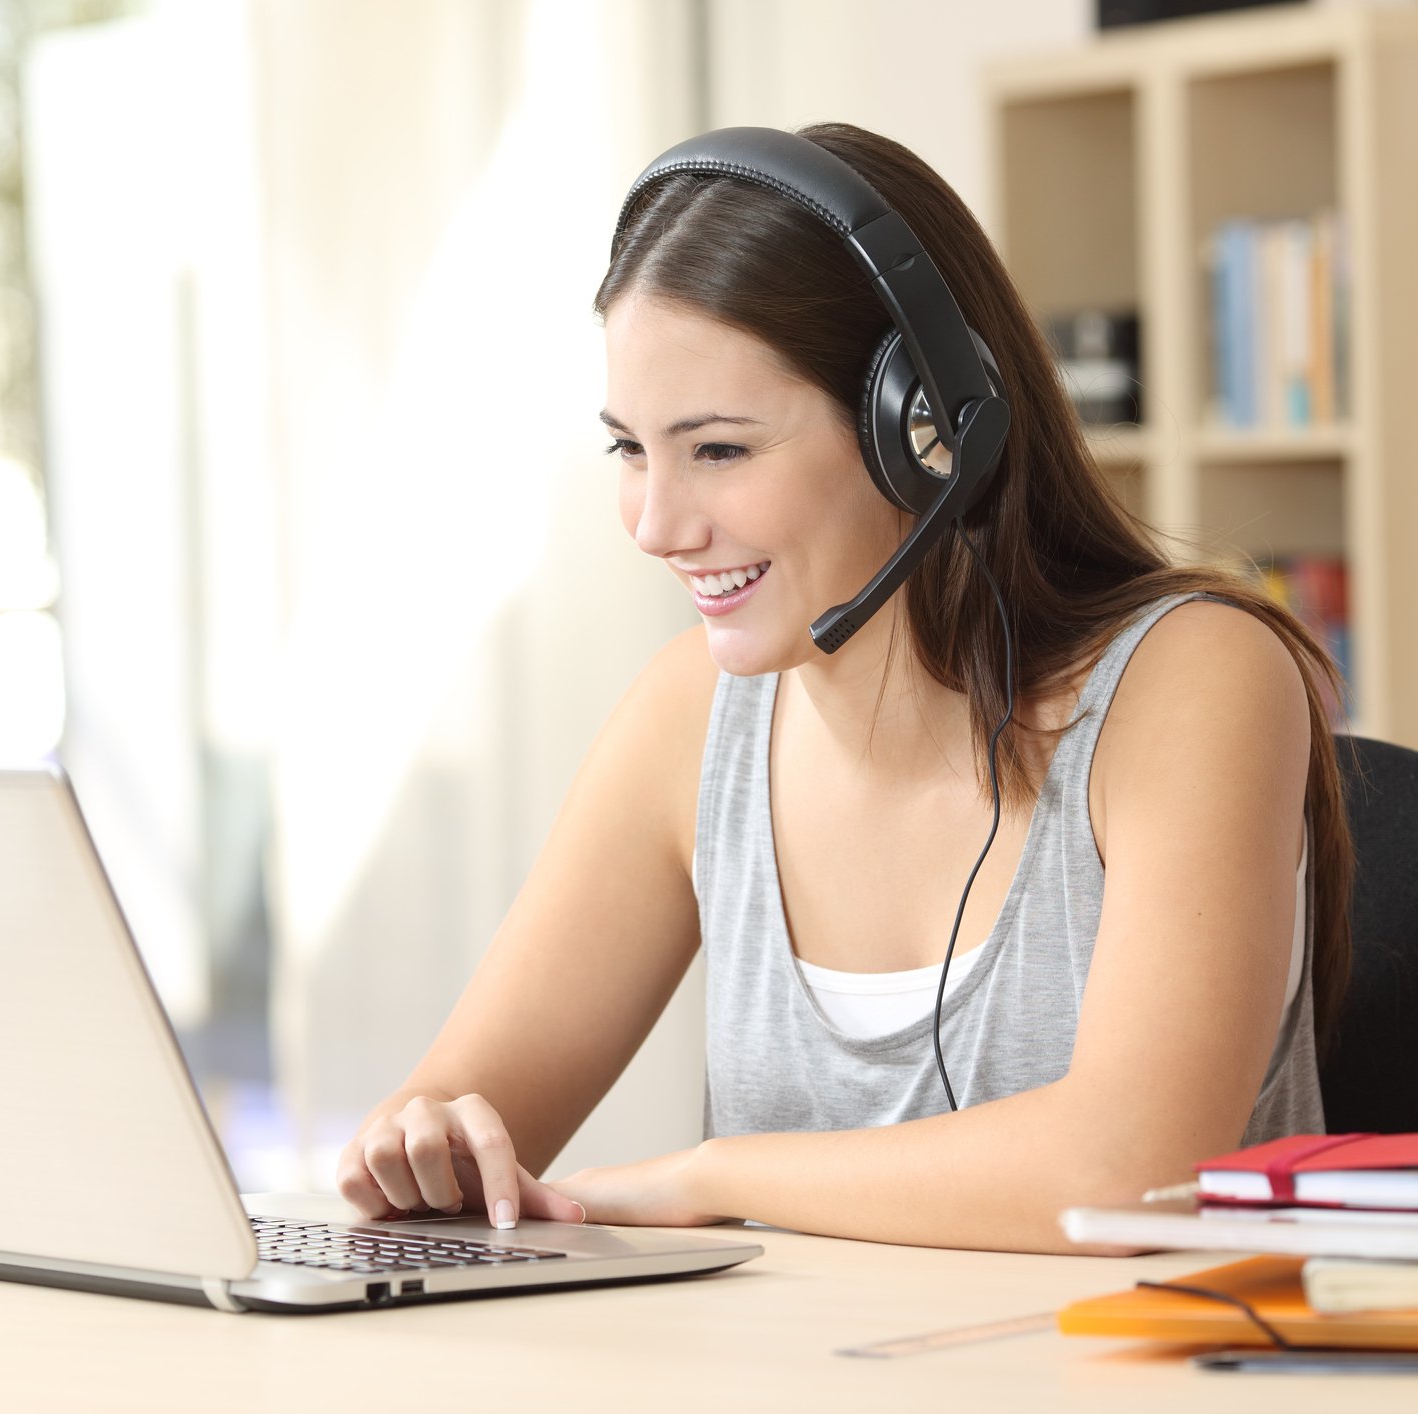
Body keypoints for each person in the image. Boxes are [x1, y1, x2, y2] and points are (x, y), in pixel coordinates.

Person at [336, 122, 1352, 1255]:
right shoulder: (690, 721)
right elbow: (458, 1121)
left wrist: (715, 1174)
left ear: (924, 428)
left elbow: (1131, 1168)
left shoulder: (1194, 679)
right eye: (630, 448)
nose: (656, 524)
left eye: (718, 450)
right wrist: (422, 1141)